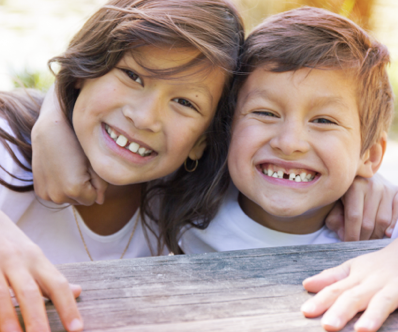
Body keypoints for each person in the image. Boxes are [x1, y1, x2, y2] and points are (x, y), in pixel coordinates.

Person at [0, 0, 244, 331]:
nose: (144, 118)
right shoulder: (10, 144)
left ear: (202, 141)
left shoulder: (187, 195)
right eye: (132, 75)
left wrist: (342, 191)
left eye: (185, 102)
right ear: (86, 71)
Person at [176, 7, 398, 332]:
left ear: (370, 155)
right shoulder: (185, 195)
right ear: (227, 128)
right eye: (265, 112)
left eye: (323, 121)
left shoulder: (380, 223)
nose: (290, 143)